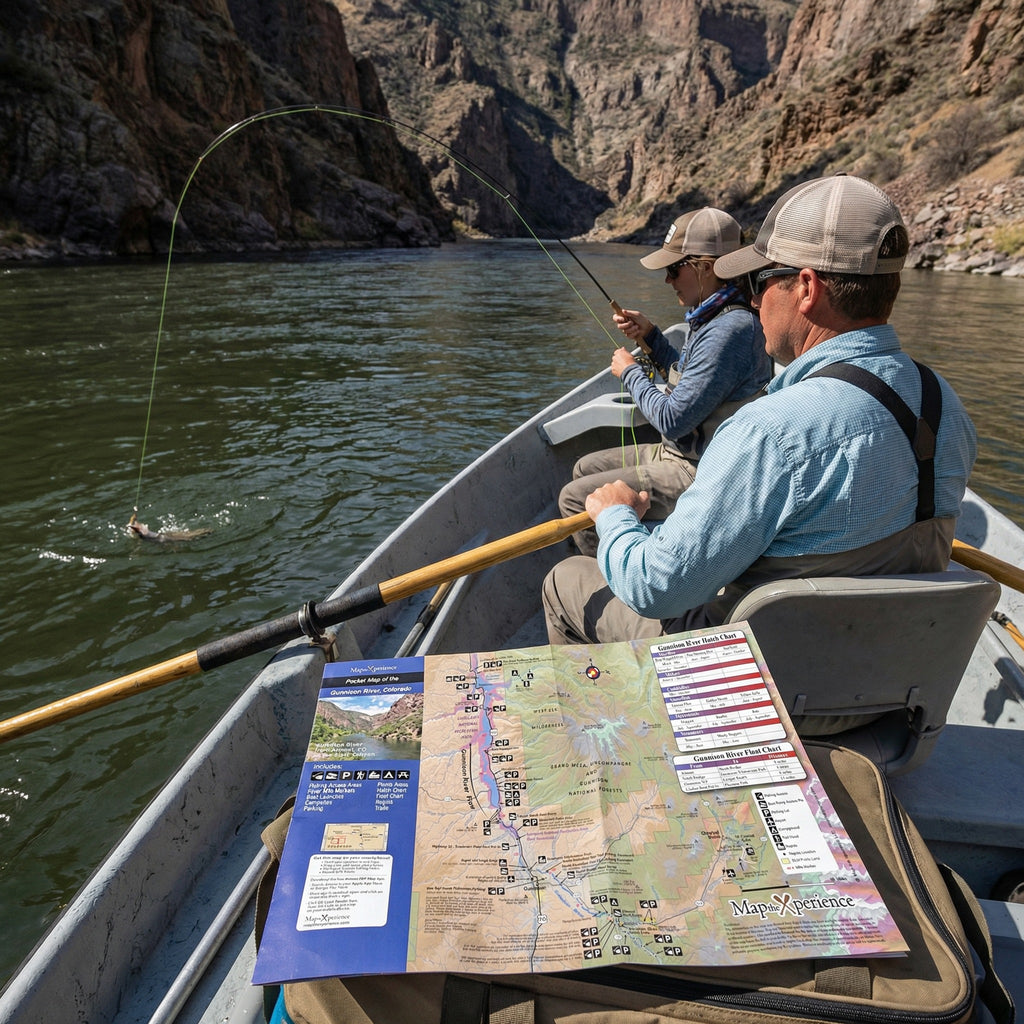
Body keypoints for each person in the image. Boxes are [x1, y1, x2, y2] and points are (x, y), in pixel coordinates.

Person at [543, 174, 977, 646]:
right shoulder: (945, 405)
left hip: (765, 681)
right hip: (888, 670)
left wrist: (615, 518)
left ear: (806, 289)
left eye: (761, 280)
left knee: (565, 579)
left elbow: (654, 589)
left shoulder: (769, 432)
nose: (752, 298)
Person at [559, 207, 771, 556]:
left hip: (698, 469)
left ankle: (613, 583)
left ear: (704, 267)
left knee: (574, 498)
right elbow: (696, 386)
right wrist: (653, 338)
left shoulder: (728, 331)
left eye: (674, 269)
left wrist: (630, 372)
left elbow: (673, 420)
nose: (668, 280)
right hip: (683, 452)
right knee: (584, 467)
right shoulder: (712, 318)